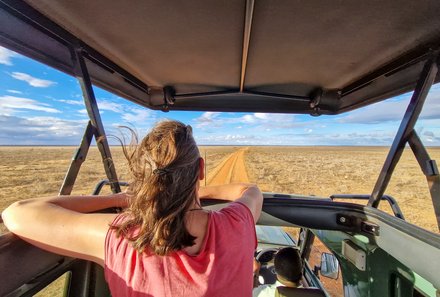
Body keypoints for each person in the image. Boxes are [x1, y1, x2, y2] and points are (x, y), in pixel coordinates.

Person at [2, 120, 263, 297]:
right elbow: (250, 191)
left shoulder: (122, 236)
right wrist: (191, 191)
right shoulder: (238, 222)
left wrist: (119, 199)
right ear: (201, 170)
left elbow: (17, 212)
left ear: (145, 178)